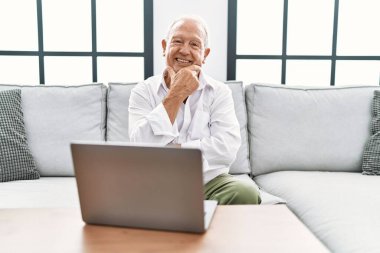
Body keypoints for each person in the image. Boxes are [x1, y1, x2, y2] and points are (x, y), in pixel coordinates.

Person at [128, 15, 260, 205]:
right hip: (156, 181)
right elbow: (141, 146)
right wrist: (177, 93)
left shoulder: (220, 92)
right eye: (177, 41)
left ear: (205, 54)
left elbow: (227, 148)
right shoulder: (143, 91)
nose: (184, 50)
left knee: (246, 192)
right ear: (164, 46)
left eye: (194, 44)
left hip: (208, 182)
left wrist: (172, 152)